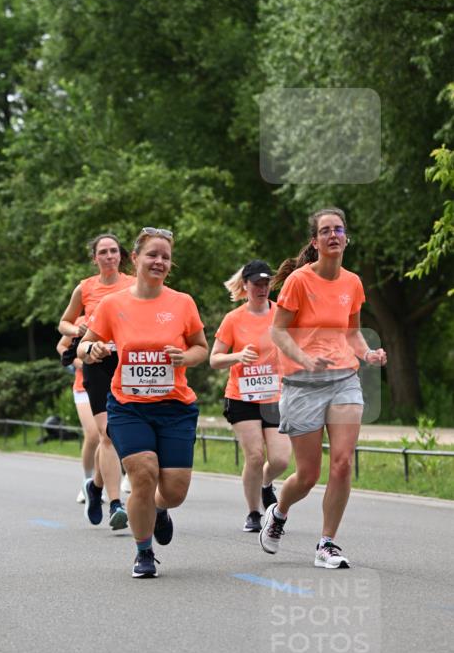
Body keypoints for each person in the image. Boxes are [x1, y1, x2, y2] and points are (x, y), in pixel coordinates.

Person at [259, 208, 387, 568]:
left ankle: (327, 543)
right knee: (308, 474)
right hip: (302, 384)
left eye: (339, 229)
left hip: (343, 379)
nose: (333, 235)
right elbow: (278, 330)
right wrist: (303, 358)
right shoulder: (299, 281)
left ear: (346, 238)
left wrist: (368, 353)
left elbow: (351, 331)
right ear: (315, 241)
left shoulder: (352, 282)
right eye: (326, 230)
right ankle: (279, 513)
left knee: (343, 463)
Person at [78, 227, 208, 578]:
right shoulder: (112, 304)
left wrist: (186, 357)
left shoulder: (182, 303)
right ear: (134, 259)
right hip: (128, 405)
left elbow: (201, 347)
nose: (159, 261)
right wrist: (92, 349)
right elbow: (83, 345)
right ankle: (143, 552)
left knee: (175, 491)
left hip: (175, 406)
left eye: (165, 256)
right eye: (152, 254)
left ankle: (159, 510)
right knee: (143, 471)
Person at [58, 233, 135, 530]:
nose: (109, 256)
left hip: (126, 361)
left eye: (114, 251)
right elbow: (63, 323)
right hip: (95, 361)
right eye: (103, 252)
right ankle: (116, 503)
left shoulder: (132, 284)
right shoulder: (85, 288)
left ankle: (95, 487)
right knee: (106, 434)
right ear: (95, 258)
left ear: (121, 255)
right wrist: (79, 326)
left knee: (115, 435)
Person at [210, 260, 291, 532]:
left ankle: (265, 484)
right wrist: (237, 356)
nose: (262, 288)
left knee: (280, 459)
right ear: (245, 286)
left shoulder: (282, 314)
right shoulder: (233, 319)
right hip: (242, 396)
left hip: (275, 396)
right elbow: (214, 359)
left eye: (266, 283)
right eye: (256, 283)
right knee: (255, 456)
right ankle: (253, 512)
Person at [56, 325, 100, 503]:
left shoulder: (116, 309)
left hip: (111, 386)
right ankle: (87, 481)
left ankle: (101, 483)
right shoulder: (82, 321)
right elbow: (61, 345)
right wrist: (77, 362)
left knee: (109, 437)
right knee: (93, 434)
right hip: (83, 387)